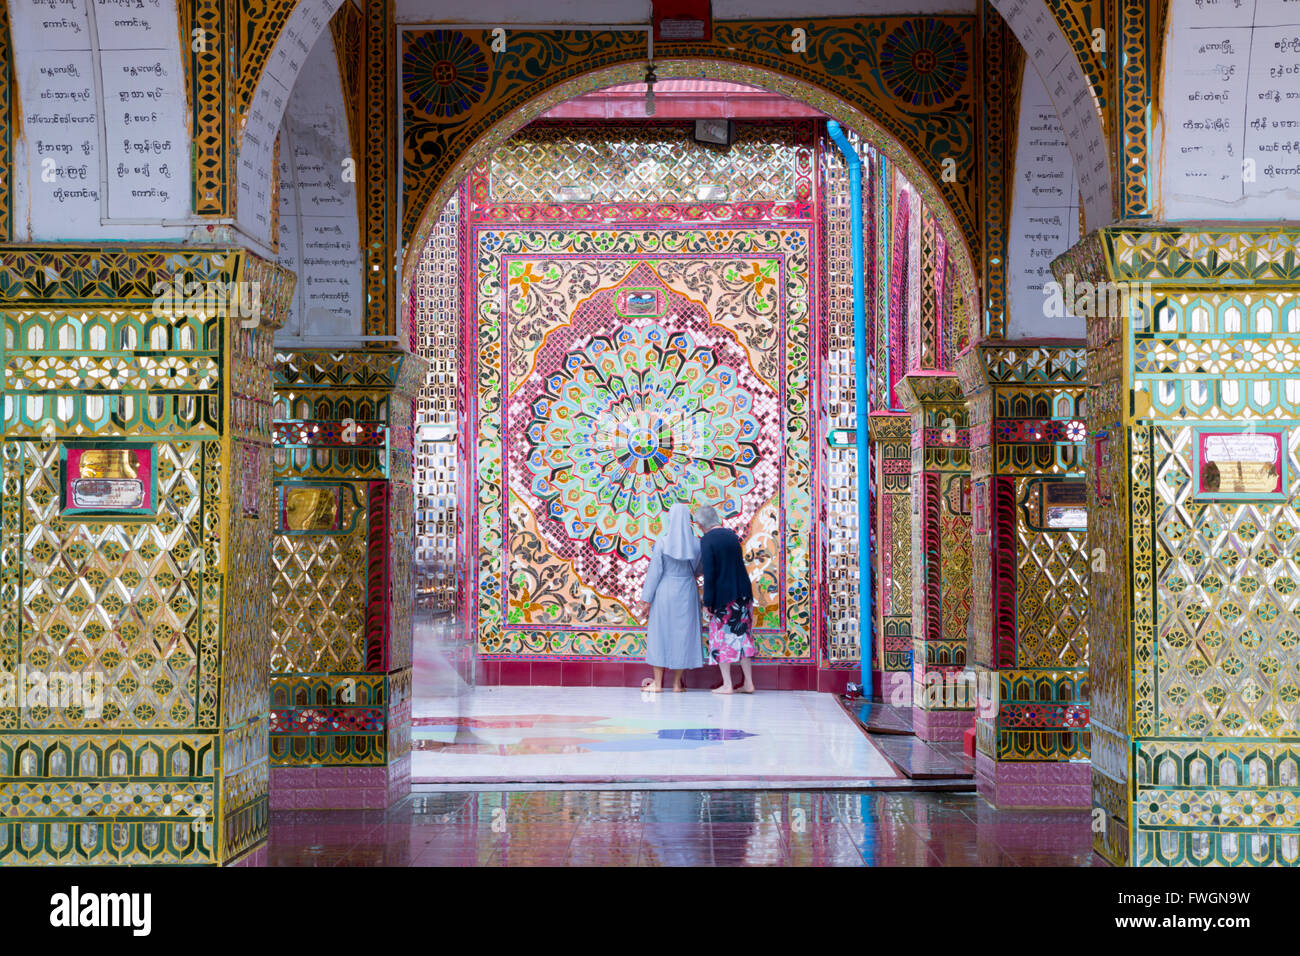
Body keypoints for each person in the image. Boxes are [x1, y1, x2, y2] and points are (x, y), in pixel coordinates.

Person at [639, 502, 706, 692]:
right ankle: (677, 684)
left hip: (665, 590)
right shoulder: (696, 543)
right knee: (683, 636)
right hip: (687, 590)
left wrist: (646, 599)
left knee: (660, 634)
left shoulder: (662, 541)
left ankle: (658, 684)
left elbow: (654, 572)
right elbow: (699, 569)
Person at [694, 504, 756, 694]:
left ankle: (727, 685)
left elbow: (710, 574)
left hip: (723, 598)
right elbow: (739, 567)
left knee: (721, 638)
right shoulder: (731, 535)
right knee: (743, 636)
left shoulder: (707, 540)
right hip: (742, 594)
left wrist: (708, 602)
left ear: (700, 524)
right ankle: (749, 683)